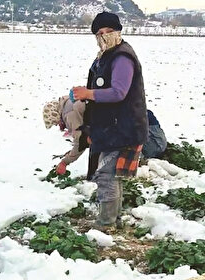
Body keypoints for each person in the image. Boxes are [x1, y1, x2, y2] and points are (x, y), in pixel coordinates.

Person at [71, 12, 148, 229]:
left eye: (108, 32)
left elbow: (118, 92)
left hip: (122, 128)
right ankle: (114, 218)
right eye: (99, 33)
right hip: (111, 126)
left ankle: (105, 224)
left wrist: (88, 94)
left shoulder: (122, 57)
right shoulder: (106, 55)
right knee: (112, 175)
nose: (104, 36)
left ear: (118, 31)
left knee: (106, 175)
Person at [43, 95, 86, 175]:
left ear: (56, 115)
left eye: (56, 123)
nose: (58, 126)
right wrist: (70, 153)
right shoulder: (68, 104)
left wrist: (64, 162)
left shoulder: (69, 114)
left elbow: (81, 141)